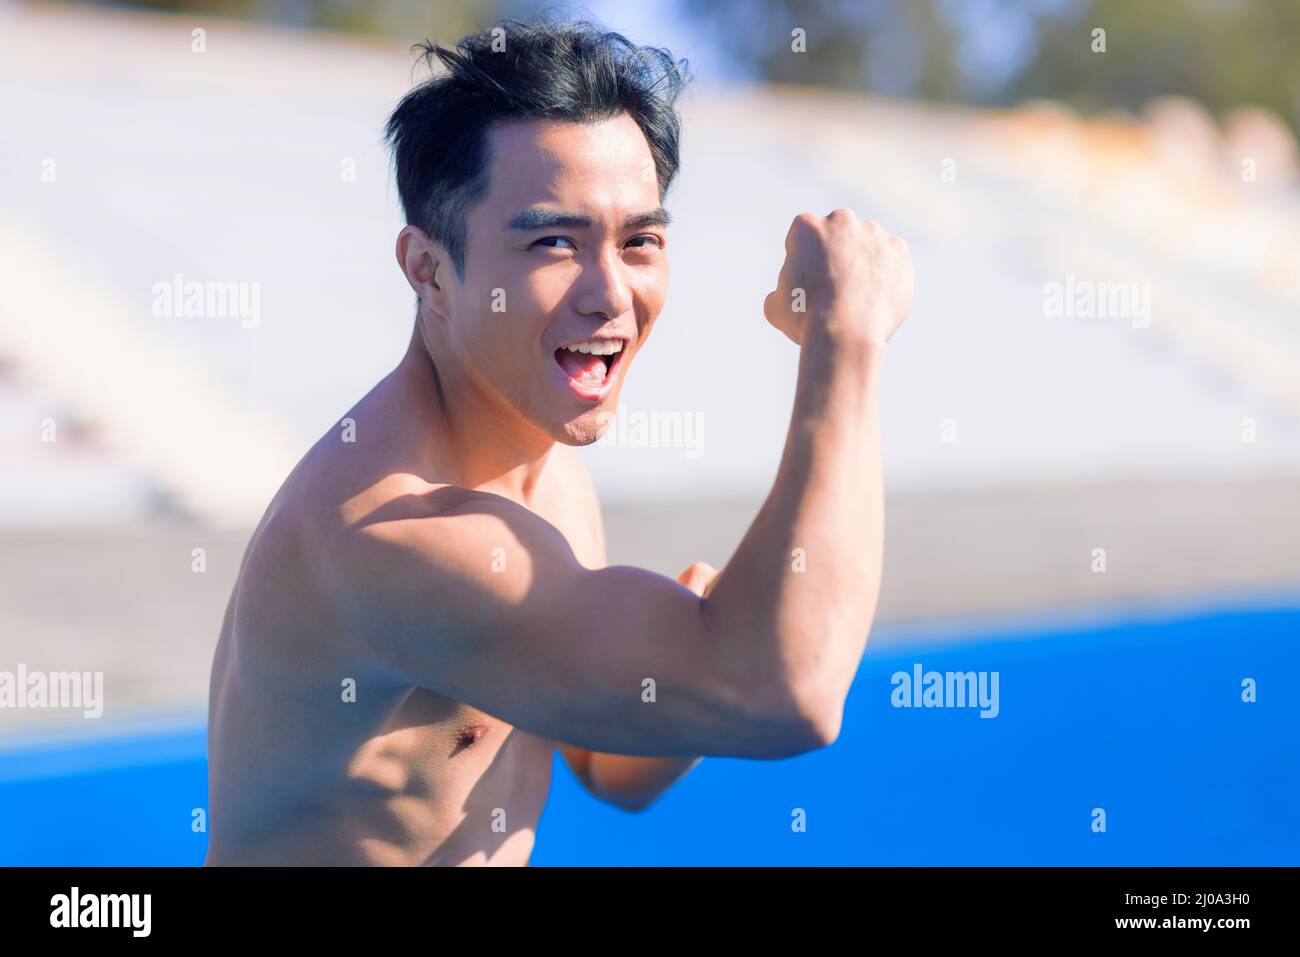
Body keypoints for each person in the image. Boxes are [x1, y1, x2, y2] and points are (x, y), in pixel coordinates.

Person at [205, 16, 912, 866]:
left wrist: (686, 654)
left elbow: (608, 766)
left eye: (639, 241)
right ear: (429, 269)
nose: (610, 294)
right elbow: (786, 690)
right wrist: (846, 336)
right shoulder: (391, 536)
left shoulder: (545, 464)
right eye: (553, 242)